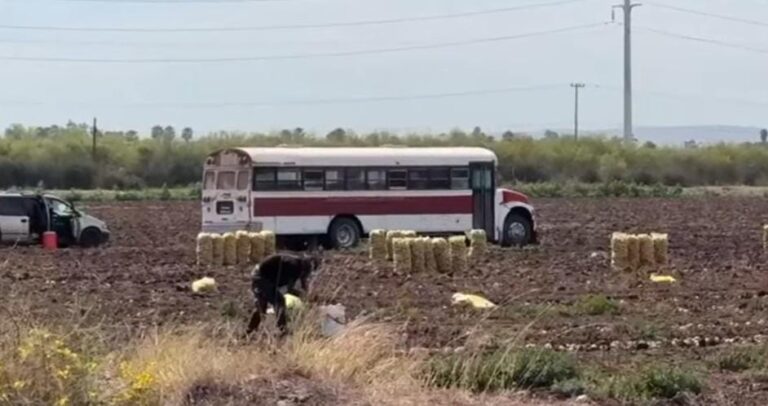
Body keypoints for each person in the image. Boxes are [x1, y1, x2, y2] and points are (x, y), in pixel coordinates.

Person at [246, 251, 322, 335]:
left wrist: (307, 294)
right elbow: (289, 290)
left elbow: (303, 281)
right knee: (279, 301)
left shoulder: (299, 265)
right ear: (305, 269)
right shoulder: (293, 266)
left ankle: (250, 330)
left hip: (264, 276)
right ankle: (282, 329)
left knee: (262, 306)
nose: (306, 275)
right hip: (260, 277)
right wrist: (303, 296)